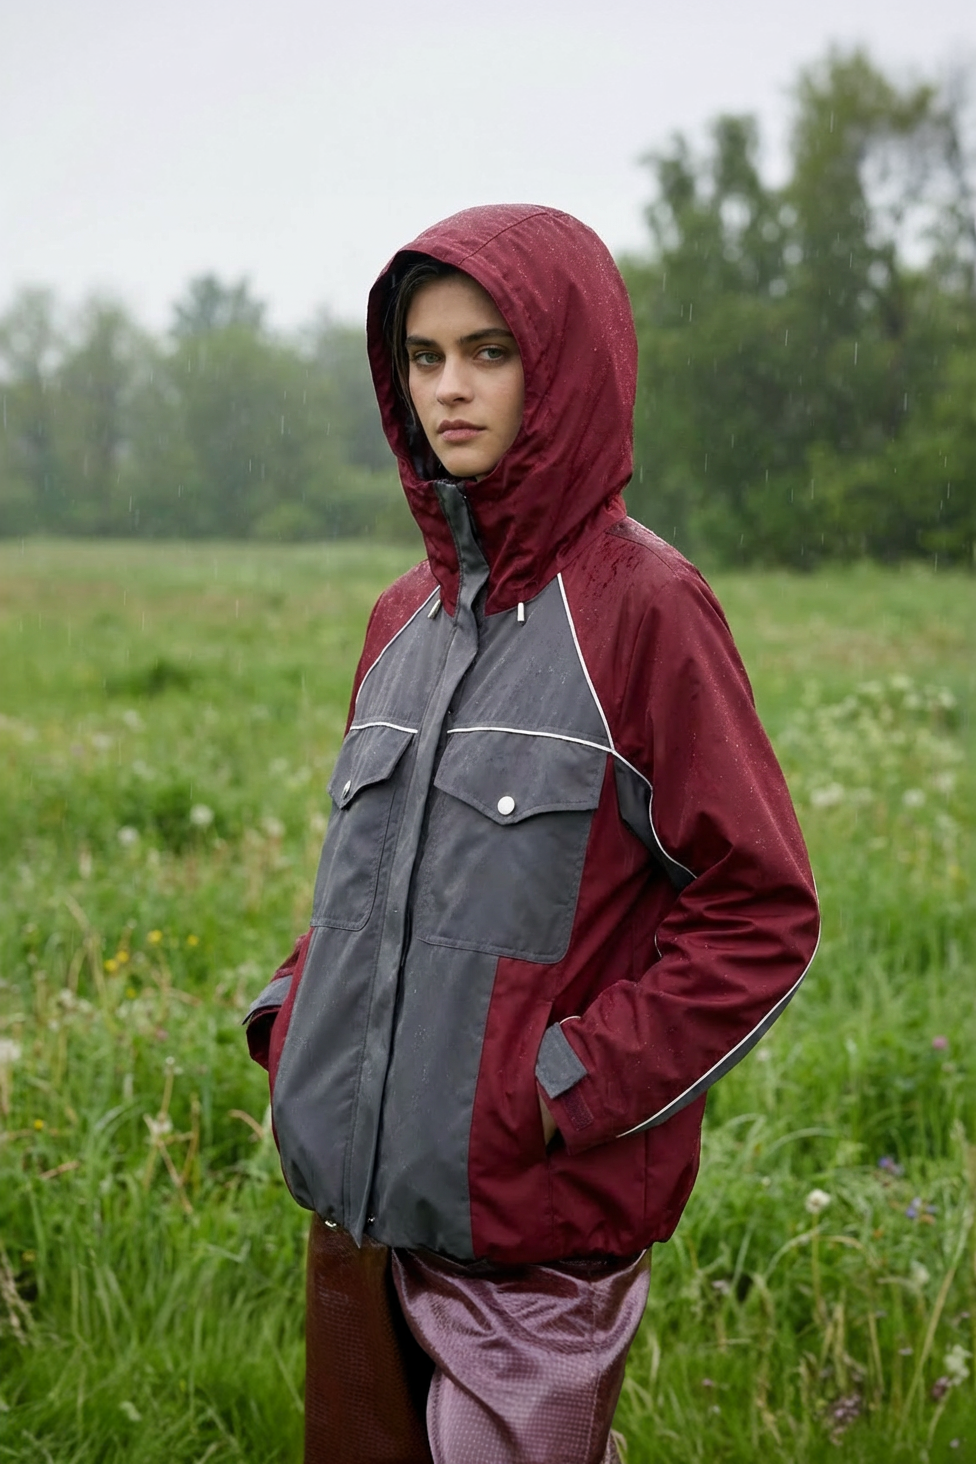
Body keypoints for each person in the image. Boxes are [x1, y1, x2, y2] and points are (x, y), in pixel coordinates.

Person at [244, 204, 820, 1464]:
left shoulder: (648, 611)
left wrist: (557, 1090)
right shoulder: (399, 616)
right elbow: (375, 882)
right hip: (356, 1213)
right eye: (423, 356)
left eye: (490, 351)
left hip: (536, 1237)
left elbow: (762, 913)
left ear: (566, 364)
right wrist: (294, 1020)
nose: (450, 388)